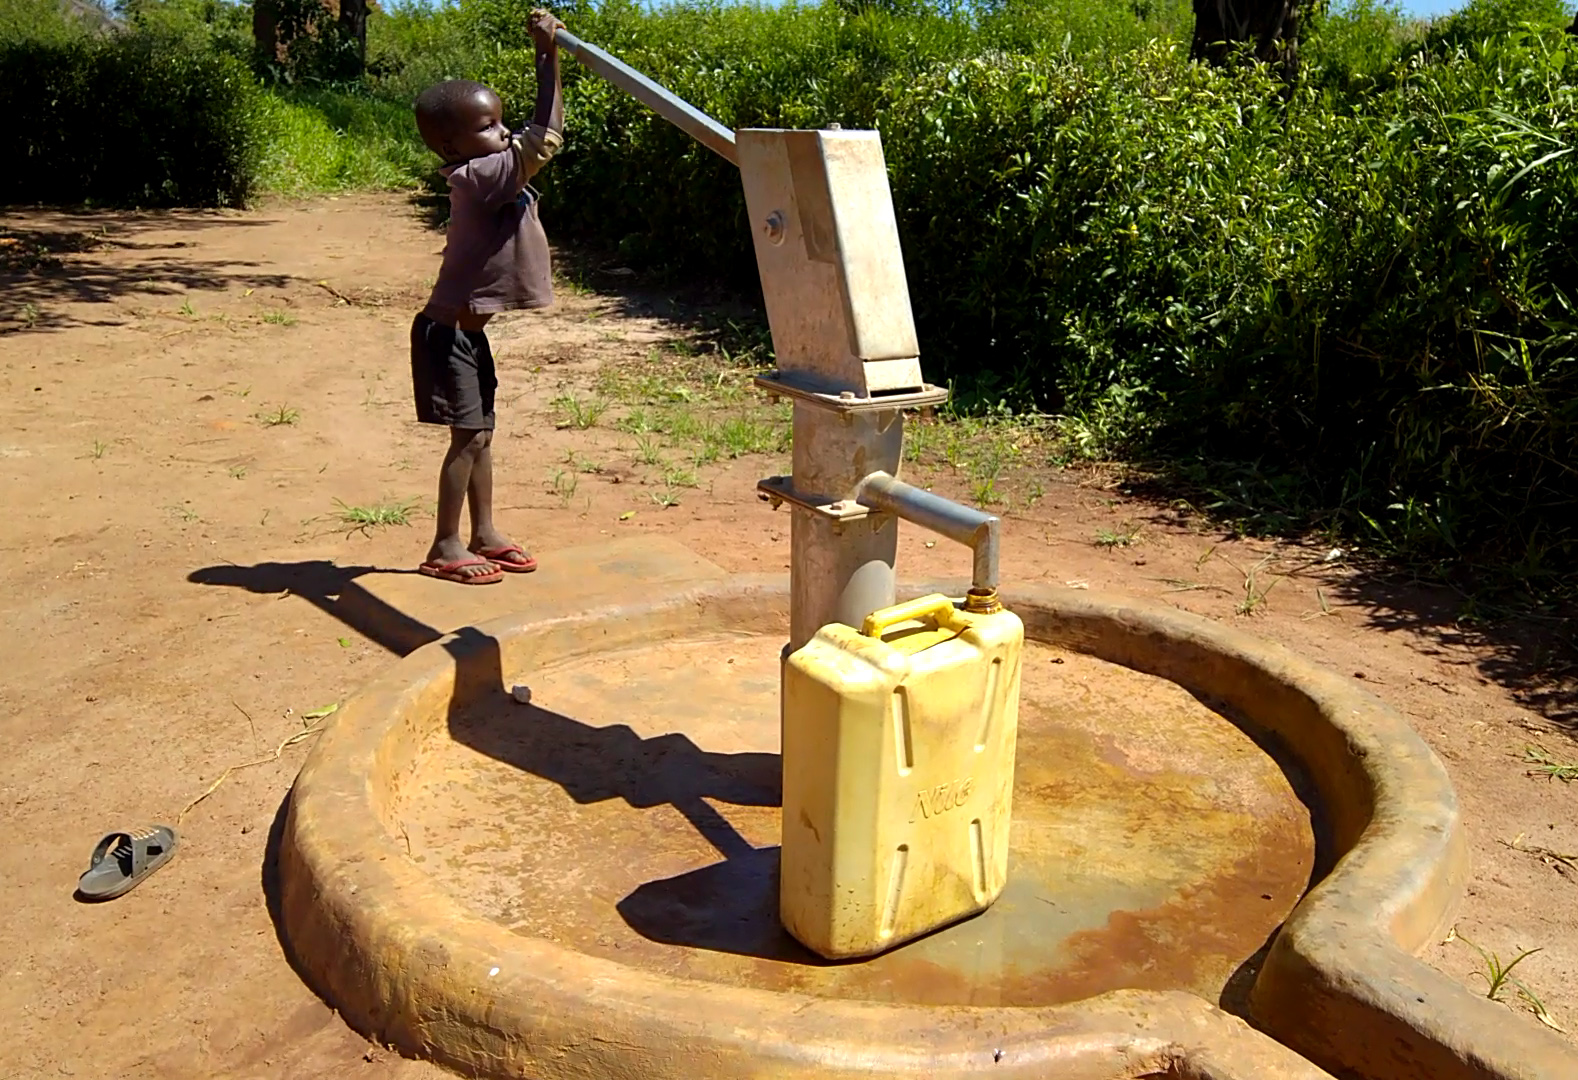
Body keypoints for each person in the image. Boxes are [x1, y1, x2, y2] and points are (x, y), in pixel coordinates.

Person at [408, 8, 565, 584]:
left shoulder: (492, 169)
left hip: (468, 336)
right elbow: (545, 137)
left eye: (501, 123)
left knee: (482, 434)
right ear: (451, 143)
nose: (502, 133)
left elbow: (532, 140)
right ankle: (445, 545)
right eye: (489, 126)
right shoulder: (476, 177)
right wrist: (546, 57)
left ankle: (484, 531)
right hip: (446, 333)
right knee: (468, 437)